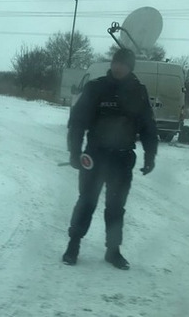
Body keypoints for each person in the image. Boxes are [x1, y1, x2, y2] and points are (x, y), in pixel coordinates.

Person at [61, 47, 158, 270]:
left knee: (116, 206)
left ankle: (113, 251)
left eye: (123, 63)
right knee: (86, 201)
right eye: (116, 62)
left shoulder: (138, 92)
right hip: (95, 155)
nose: (118, 67)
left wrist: (150, 155)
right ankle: (73, 245)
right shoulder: (96, 88)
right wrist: (75, 152)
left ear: (130, 67)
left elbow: (148, 126)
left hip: (122, 158)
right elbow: (77, 122)